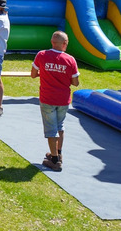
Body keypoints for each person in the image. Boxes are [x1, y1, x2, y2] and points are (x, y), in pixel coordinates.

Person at [31, 31, 80, 171]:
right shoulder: (70, 59)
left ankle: (54, 159)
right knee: (60, 126)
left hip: (47, 98)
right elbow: (75, 82)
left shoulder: (41, 55)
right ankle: (58, 153)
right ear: (64, 44)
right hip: (63, 99)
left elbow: (33, 75)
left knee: (51, 129)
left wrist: (47, 73)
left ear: (52, 42)